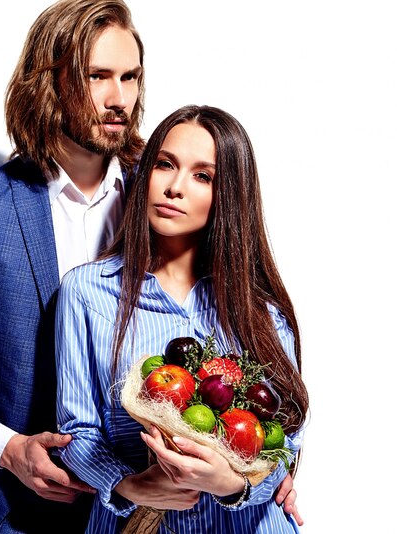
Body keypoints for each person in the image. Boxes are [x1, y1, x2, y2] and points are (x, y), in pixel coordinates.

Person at [0, 0, 301, 530]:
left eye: (131, 77)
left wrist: (267, 467)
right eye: (97, 76)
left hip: (170, 507)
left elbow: (253, 329)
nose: (120, 98)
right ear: (50, 81)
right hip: (23, 504)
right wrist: (7, 447)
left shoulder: (166, 184)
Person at [55, 104, 310, 532]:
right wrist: (129, 485)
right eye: (165, 165)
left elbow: (287, 440)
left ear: (228, 195)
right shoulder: (87, 292)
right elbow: (77, 430)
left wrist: (232, 484)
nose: (174, 187)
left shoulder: (260, 311)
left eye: (201, 176)